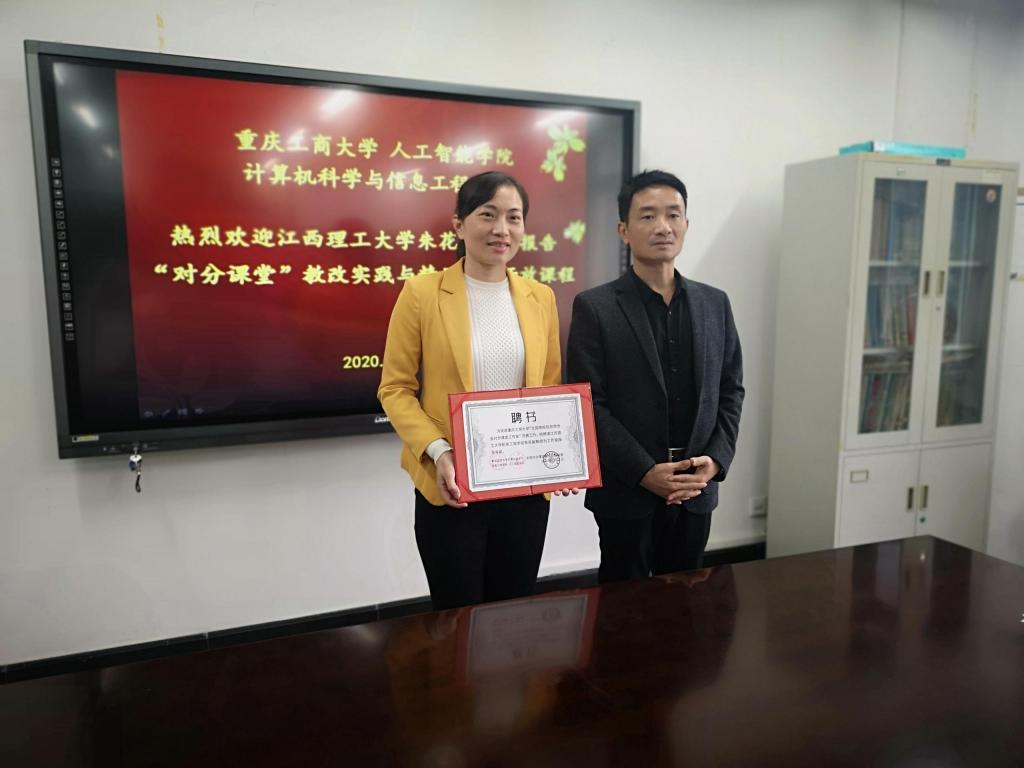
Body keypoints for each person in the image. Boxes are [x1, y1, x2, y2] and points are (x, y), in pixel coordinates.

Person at [378, 171, 569, 610]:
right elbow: (396, 388)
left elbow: (549, 387)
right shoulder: (422, 293)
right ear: (459, 224)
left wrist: (560, 455)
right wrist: (439, 451)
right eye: (488, 215)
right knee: (457, 618)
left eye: (514, 217)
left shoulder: (540, 297)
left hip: (524, 490)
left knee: (513, 614)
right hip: (453, 486)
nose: (502, 229)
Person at [566, 169, 744, 583]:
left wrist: (716, 460)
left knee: (687, 601)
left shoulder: (714, 303)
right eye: (647, 216)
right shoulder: (595, 307)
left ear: (686, 224)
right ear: (623, 230)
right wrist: (645, 472)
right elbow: (588, 404)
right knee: (622, 605)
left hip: (696, 488)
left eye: (673, 215)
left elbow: (730, 390)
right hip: (627, 491)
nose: (663, 226)